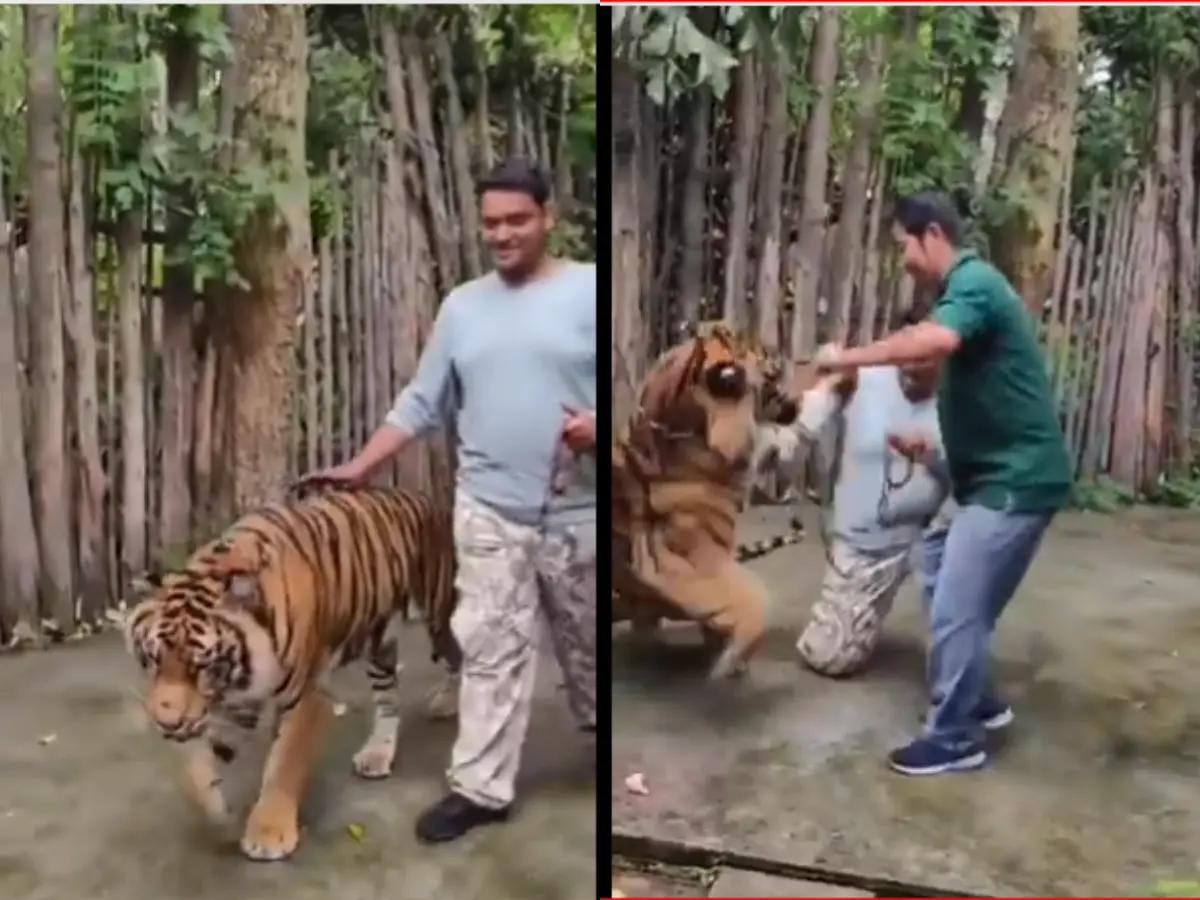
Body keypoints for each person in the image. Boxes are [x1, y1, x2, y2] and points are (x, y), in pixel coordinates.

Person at [300, 158, 597, 839]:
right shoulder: (462, 306)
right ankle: (481, 789)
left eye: (516, 219)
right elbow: (422, 401)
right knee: (489, 647)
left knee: (585, 650)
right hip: (489, 508)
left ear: (548, 217)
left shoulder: (587, 290)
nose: (502, 234)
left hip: (577, 511)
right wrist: (360, 467)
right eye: (491, 222)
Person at [813, 191, 1071, 776]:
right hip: (990, 479)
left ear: (931, 234)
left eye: (902, 243)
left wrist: (848, 359)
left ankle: (955, 736)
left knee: (958, 600)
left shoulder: (973, 281)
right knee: (934, 556)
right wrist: (934, 451)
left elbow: (934, 340)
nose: (901, 258)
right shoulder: (971, 291)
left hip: (1016, 483)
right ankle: (976, 697)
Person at [794, 318, 958, 680]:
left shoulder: (964, 401)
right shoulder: (859, 376)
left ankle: (953, 646)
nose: (912, 367)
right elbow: (800, 421)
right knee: (829, 658)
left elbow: (973, 481)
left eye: (925, 359)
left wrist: (932, 457)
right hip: (866, 544)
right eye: (905, 355)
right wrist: (816, 386)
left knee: (954, 664)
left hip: (932, 538)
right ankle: (860, 612)